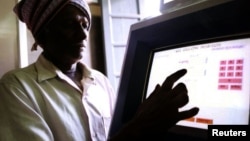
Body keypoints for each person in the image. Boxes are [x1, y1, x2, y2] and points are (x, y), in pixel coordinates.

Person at [0, 0, 199, 141]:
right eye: (70, 24)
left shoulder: (100, 82)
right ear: (42, 37)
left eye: (85, 24)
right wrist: (138, 128)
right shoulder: (17, 87)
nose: (83, 34)